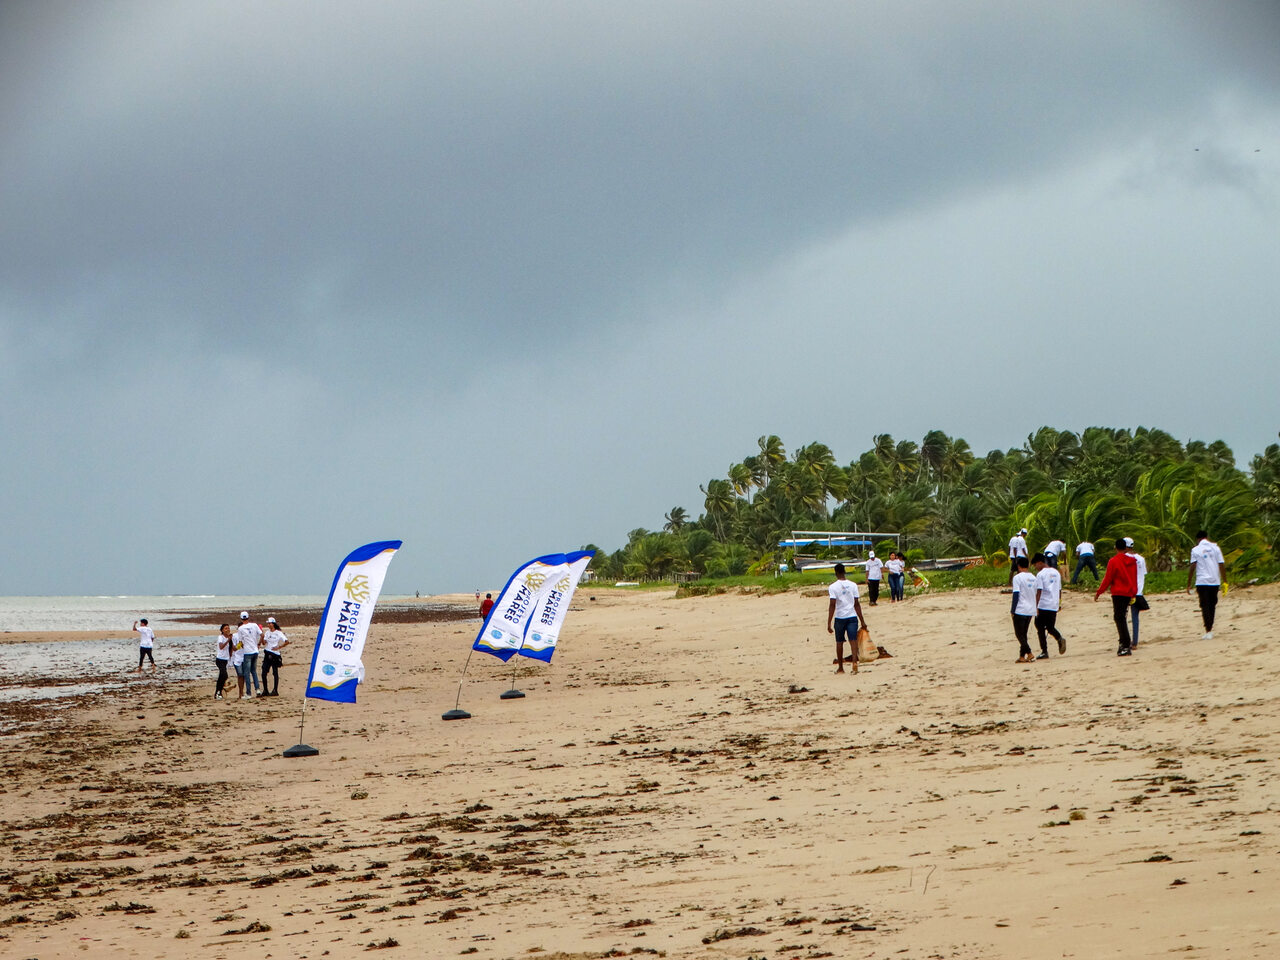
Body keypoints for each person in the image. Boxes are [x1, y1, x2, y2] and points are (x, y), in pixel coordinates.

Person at [1094, 538, 1137, 656]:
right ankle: (1123, 642)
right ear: (1126, 547)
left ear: (1116, 548)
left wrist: (1099, 592)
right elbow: (1134, 577)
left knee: (1119, 618)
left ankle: (1125, 643)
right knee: (1121, 617)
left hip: (1118, 593)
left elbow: (1108, 578)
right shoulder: (1132, 561)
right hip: (1128, 592)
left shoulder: (1113, 561)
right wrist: (1134, 592)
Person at [826, 562, 868, 674]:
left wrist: (829, 622)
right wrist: (862, 621)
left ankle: (840, 667)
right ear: (844, 571)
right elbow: (857, 604)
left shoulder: (833, 587)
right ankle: (854, 663)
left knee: (839, 642)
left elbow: (832, 604)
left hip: (840, 618)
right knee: (853, 640)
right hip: (852, 616)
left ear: (835, 573)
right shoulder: (853, 585)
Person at [1186, 530, 1226, 640]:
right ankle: (1210, 627)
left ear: (1198, 539)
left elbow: (1193, 566)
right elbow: (1221, 564)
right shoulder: (1216, 548)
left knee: (1204, 605)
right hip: (1214, 581)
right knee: (1212, 605)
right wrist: (1225, 581)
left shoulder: (1195, 550)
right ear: (1206, 537)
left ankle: (1208, 630)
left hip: (1202, 581)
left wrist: (1189, 583)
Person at [1032, 553, 1066, 658]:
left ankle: (1044, 651)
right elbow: (1059, 589)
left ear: (1040, 563)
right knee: (1050, 627)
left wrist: (1036, 606)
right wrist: (1059, 603)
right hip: (1053, 604)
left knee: (1039, 626)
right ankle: (1059, 638)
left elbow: (1039, 591)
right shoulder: (1056, 572)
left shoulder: (1041, 575)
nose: (1035, 567)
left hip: (1043, 604)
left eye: (1035, 565)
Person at [1010, 557, 1037, 663]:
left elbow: (1016, 595)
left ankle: (1029, 653)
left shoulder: (1017, 578)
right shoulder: (1033, 578)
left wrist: (1013, 610)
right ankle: (1022, 656)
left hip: (1020, 608)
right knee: (1024, 633)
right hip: (1030, 609)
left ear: (1018, 566)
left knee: (1019, 634)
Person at [1124, 538, 1149, 648]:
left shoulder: (1124, 559)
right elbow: (1143, 574)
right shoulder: (1141, 559)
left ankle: (1125, 640)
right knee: (1135, 617)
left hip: (1127, 591)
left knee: (1122, 617)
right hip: (1138, 591)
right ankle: (1134, 642)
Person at [234, 612, 263, 698]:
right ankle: (257, 689)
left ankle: (248, 693)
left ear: (241, 619)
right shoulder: (254, 625)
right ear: (248, 617)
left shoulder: (241, 628)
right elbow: (262, 635)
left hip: (247, 652)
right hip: (255, 651)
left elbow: (240, 642)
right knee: (253, 671)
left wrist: (236, 648)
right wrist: (258, 644)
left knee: (247, 673)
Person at [260, 617, 289, 696]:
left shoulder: (278, 633)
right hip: (267, 652)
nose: (268, 625)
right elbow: (264, 643)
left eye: (270, 623)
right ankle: (265, 690)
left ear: (273, 624)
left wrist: (279, 647)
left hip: (275, 654)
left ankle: (275, 690)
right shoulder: (267, 632)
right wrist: (262, 637)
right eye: (268, 624)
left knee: (275, 672)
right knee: (263, 672)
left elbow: (286, 641)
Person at [215, 624, 232, 700]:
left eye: (228, 628)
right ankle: (218, 692)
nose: (227, 630)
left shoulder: (230, 638)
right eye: (225, 628)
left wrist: (240, 645)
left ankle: (218, 692)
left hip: (226, 660)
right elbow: (221, 647)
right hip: (220, 659)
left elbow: (233, 649)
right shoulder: (220, 637)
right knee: (224, 674)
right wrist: (228, 640)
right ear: (222, 630)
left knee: (223, 676)